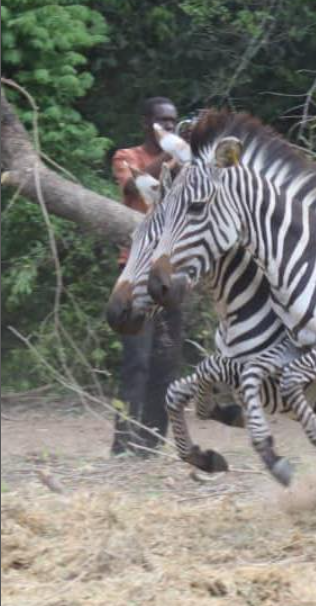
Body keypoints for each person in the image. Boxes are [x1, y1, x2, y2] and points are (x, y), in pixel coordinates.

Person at [110, 97, 183, 456]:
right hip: (135, 275)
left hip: (170, 276)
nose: (168, 127)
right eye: (161, 122)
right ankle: (123, 446)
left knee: (165, 364)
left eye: (173, 122)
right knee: (136, 361)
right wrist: (169, 155)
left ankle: (150, 448)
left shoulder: (183, 161)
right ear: (146, 123)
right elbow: (130, 190)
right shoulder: (127, 156)